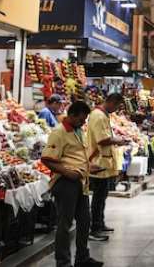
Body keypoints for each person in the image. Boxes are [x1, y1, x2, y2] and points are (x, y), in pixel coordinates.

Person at [42, 101, 103, 267]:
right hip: (65, 183)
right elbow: (47, 159)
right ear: (72, 115)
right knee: (65, 224)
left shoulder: (78, 131)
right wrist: (66, 172)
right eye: (82, 119)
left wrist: (89, 167)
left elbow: (76, 157)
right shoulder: (59, 132)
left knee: (85, 220)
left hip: (81, 182)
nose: (84, 123)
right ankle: (63, 262)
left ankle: (82, 258)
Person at [86, 92, 129, 240]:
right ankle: (95, 228)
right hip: (98, 163)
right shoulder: (98, 116)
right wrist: (118, 140)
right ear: (111, 102)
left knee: (102, 196)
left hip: (103, 162)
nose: (116, 109)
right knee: (98, 197)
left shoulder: (103, 115)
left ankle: (100, 223)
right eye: (116, 105)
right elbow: (102, 139)